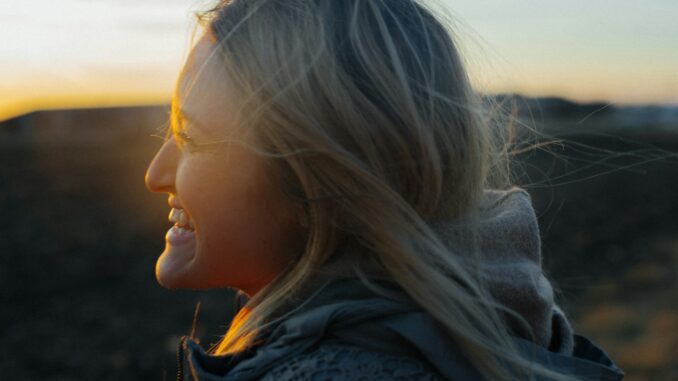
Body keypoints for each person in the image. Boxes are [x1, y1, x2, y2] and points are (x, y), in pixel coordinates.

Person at [145, 0, 624, 380]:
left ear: (319, 178)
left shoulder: (335, 373)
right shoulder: (491, 330)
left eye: (191, 136)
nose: (154, 174)